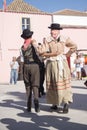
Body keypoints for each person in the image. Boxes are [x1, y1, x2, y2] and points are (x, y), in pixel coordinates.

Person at [39, 23, 77, 113]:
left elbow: (74, 46)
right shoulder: (47, 40)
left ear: (58, 31)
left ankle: (66, 103)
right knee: (52, 83)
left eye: (55, 30)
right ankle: (54, 103)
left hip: (61, 63)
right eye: (52, 30)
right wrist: (52, 54)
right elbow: (41, 52)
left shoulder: (65, 39)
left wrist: (67, 55)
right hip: (51, 64)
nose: (53, 32)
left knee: (63, 82)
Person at [20, 29, 40, 113]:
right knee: (35, 85)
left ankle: (28, 106)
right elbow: (39, 51)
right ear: (31, 36)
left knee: (27, 86)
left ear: (24, 37)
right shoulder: (34, 43)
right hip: (34, 65)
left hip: (26, 66)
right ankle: (36, 104)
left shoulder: (22, 46)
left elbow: (21, 59)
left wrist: (21, 69)